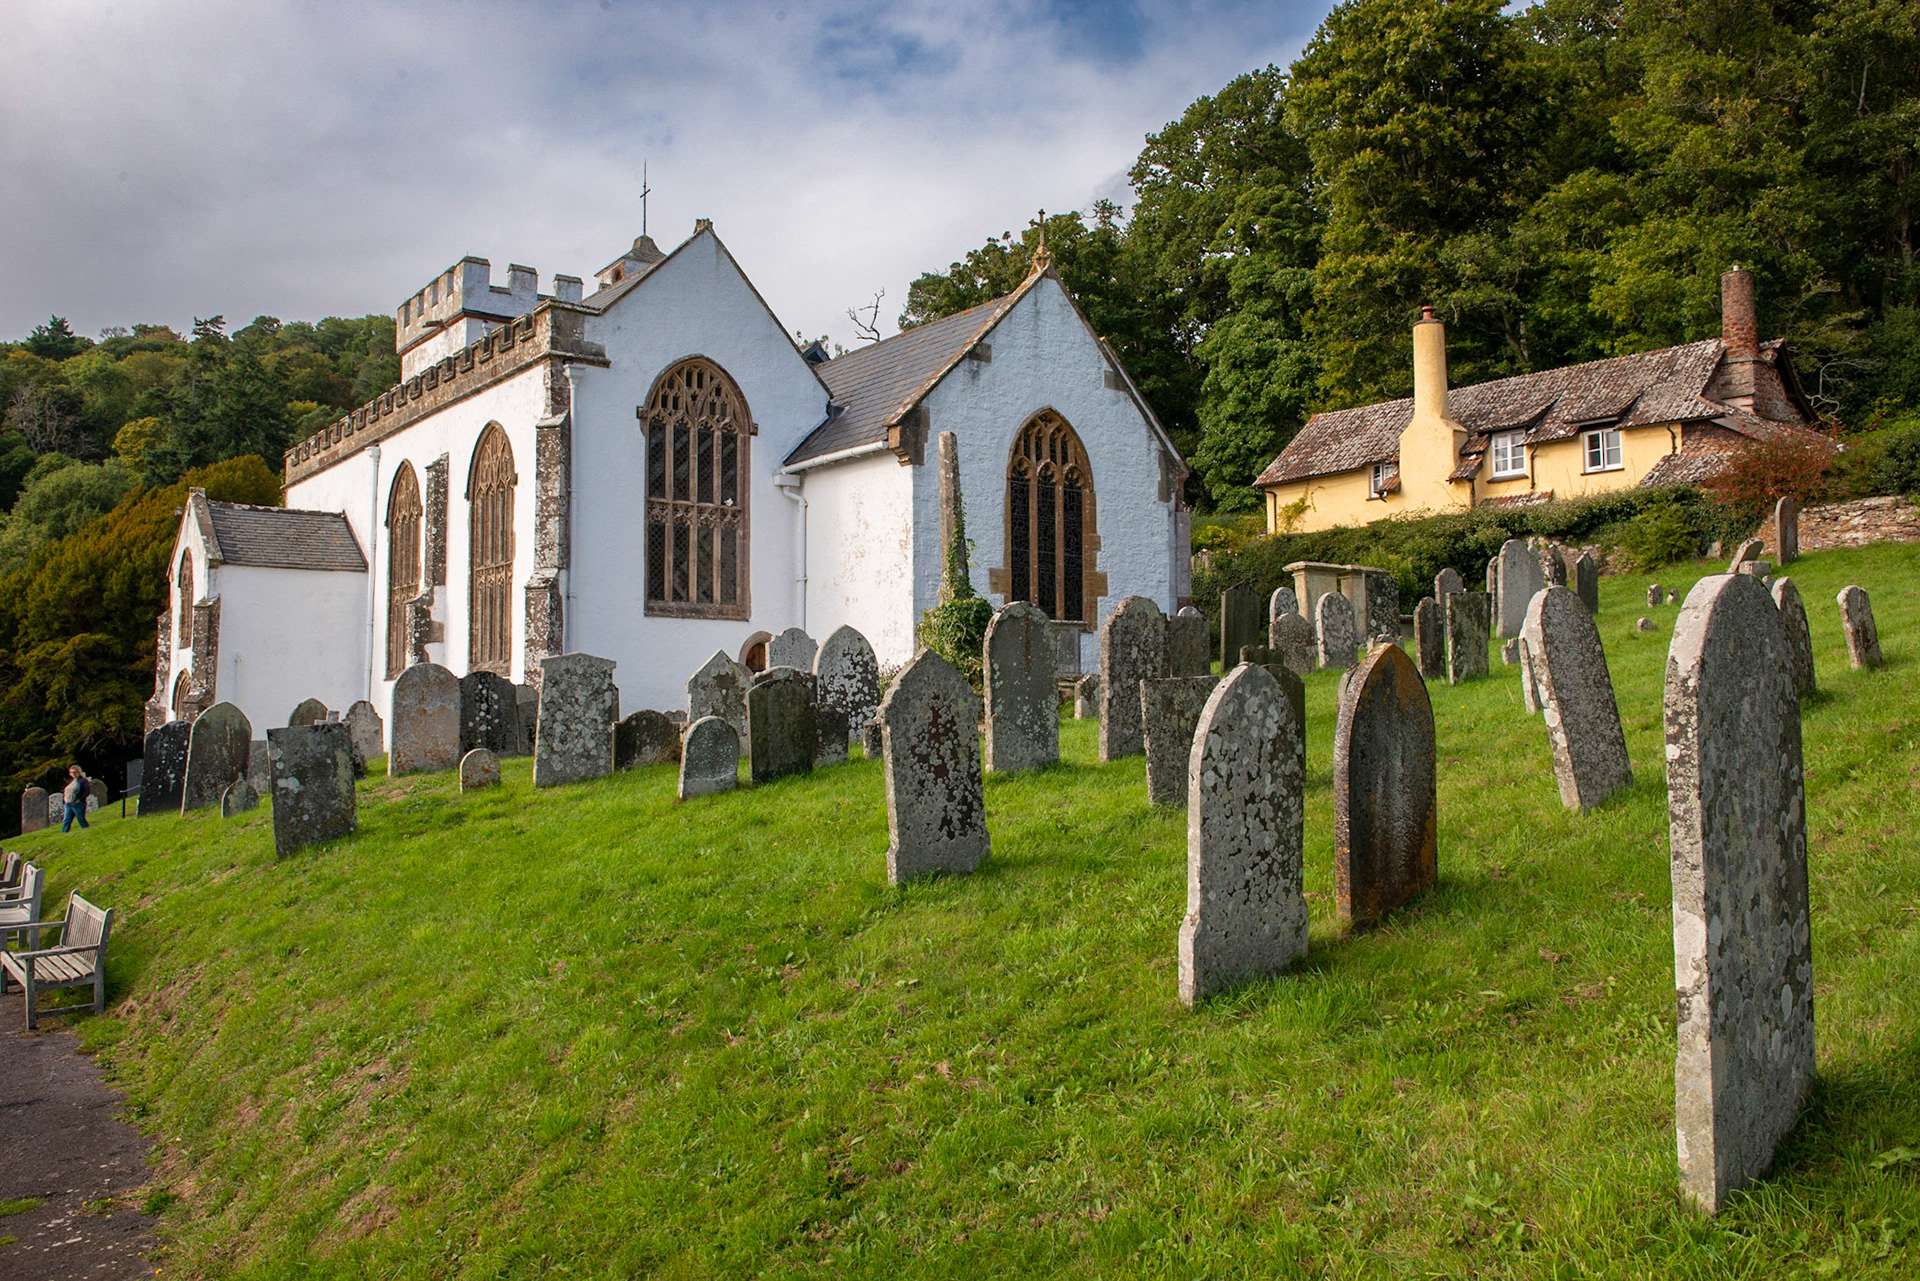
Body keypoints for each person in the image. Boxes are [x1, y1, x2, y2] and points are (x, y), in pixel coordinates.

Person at [61, 764, 90, 833]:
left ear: (78, 772)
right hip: (68, 803)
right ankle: (64, 833)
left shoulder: (83, 781)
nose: (73, 774)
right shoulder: (71, 781)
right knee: (67, 820)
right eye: (71, 772)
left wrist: (80, 799)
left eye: (75, 772)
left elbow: (87, 791)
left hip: (77, 803)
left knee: (80, 819)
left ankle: (87, 830)